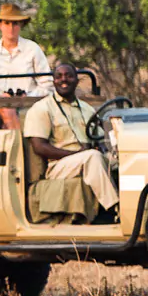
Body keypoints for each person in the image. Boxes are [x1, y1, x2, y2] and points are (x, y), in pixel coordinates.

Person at [23, 62, 119, 218]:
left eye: (69, 76)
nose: (64, 80)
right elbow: (39, 147)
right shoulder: (42, 108)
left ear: (76, 80)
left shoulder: (87, 108)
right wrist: (75, 154)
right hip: (59, 165)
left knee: (123, 159)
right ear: (53, 81)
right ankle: (116, 208)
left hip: (86, 157)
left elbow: (100, 137)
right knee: (92, 157)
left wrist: (109, 151)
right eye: (59, 76)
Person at [0, 3, 53, 131]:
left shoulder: (33, 49)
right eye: (7, 23)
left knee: (17, 117)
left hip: (30, 104)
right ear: (0, 25)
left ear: (21, 25)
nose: (11, 28)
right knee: (8, 111)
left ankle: (13, 139)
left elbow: (47, 84)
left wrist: (28, 96)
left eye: (15, 23)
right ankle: (20, 142)